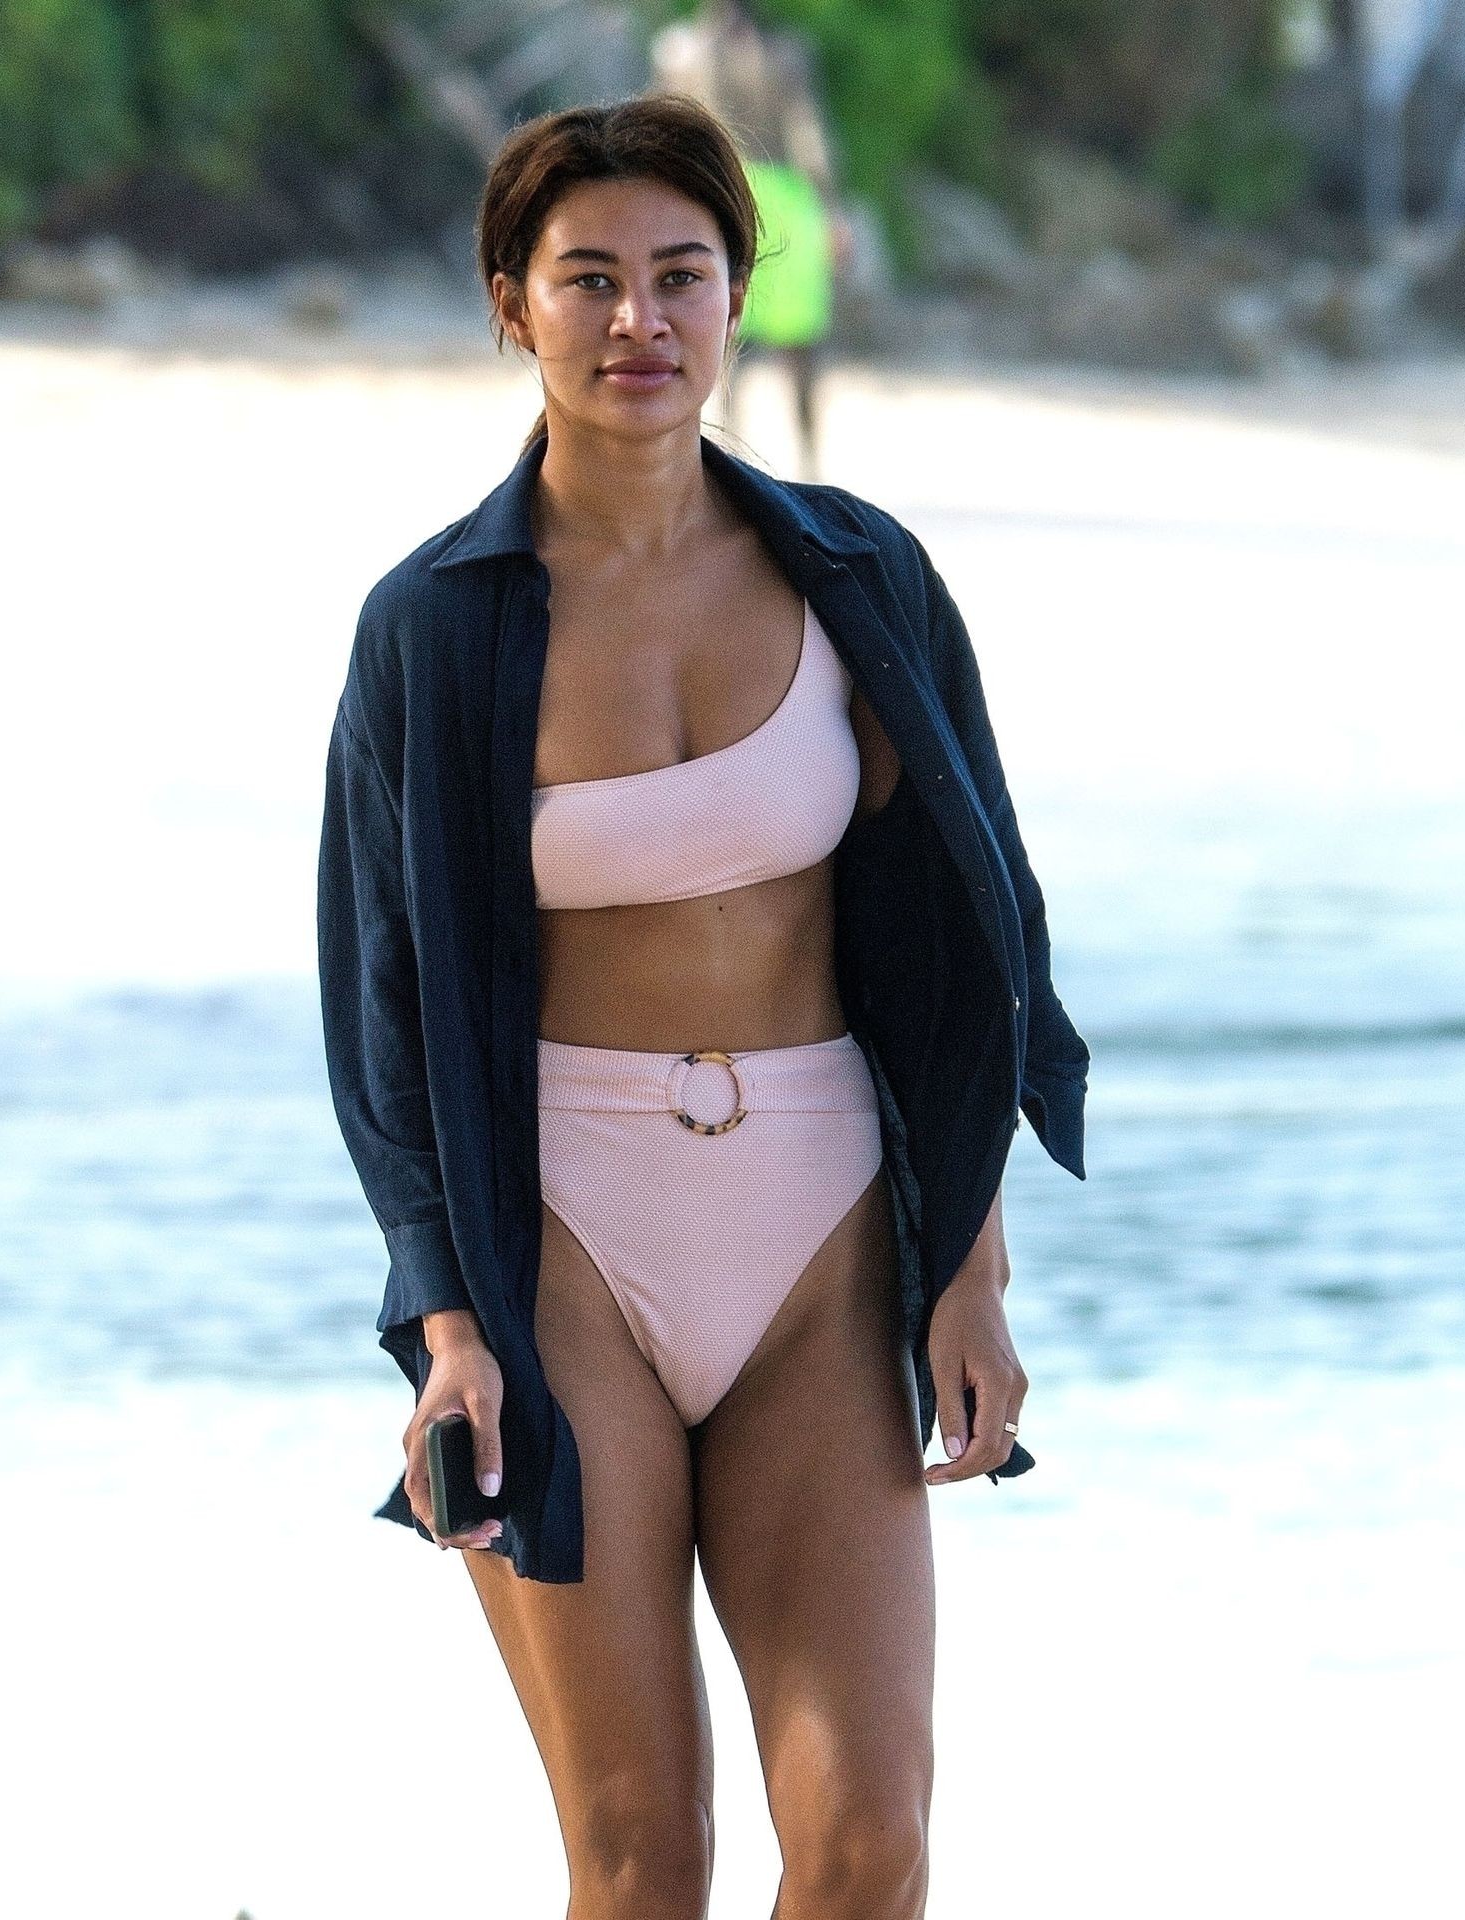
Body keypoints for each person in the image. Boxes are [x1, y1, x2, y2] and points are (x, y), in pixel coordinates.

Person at [316, 93, 1089, 1920]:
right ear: (511, 304)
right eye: (587, 279)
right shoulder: (434, 625)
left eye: (679, 275)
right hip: (559, 1237)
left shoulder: (858, 576)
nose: (636, 320)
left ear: (740, 296)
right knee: (642, 1855)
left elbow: (970, 940)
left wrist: (970, 1268)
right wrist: (445, 1324)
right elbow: (382, 1003)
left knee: (870, 1845)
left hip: (820, 1217)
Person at [649, 0, 852, 480]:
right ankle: (802, 464)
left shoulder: (679, 51)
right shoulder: (783, 53)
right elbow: (809, 136)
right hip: (779, 200)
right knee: (789, 340)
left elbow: (659, 138)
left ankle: (726, 458)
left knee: (717, 331)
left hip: (719, 195)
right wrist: (830, 208)